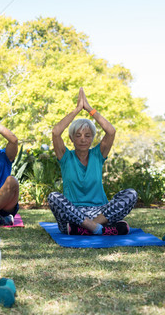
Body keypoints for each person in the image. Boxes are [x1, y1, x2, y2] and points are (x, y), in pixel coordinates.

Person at [49, 87, 137, 235]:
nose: (83, 139)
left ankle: (89, 227)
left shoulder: (98, 154)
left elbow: (111, 131)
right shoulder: (65, 157)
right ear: (71, 138)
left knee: (131, 194)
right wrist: (78, 109)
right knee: (53, 197)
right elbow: (56, 132)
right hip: (74, 213)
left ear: (92, 138)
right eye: (78, 135)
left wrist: (89, 108)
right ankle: (103, 228)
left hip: (100, 213)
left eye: (88, 135)